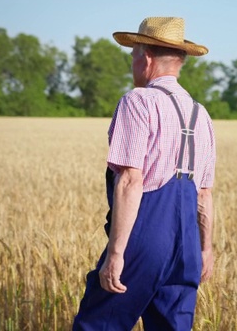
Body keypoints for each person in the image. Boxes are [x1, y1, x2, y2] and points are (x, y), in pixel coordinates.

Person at [72, 17, 217, 330]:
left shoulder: (137, 102)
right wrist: (205, 250)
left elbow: (130, 180)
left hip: (145, 239)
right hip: (188, 247)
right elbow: (203, 195)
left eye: (133, 55)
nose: (132, 64)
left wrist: (116, 253)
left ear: (146, 58)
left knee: (98, 324)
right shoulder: (201, 114)